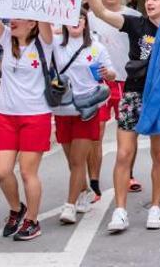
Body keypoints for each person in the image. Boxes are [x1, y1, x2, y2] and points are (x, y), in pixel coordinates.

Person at [86, 0, 160, 232]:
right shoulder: (135, 24)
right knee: (123, 154)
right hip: (133, 94)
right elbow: (101, 12)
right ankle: (120, 211)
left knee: (159, 155)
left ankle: (155, 207)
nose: (149, 2)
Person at [0, 0, 55, 241]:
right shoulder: (5, 40)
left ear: (33, 23)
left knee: (28, 172)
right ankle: (17, 209)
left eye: (20, 16)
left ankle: (32, 221)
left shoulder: (44, 44)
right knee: (2, 171)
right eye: (12, 15)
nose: (13, 20)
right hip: (6, 115)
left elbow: (47, 16)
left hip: (35, 115)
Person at [53, 13, 116, 225]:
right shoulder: (55, 45)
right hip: (63, 109)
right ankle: (83, 190)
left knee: (79, 160)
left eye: (79, 19)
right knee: (72, 160)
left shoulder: (96, 48)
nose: (75, 23)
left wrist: (108, 73)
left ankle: (69, 206)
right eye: (69, 19)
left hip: (87, 109)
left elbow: (112, 73)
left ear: (85, 22)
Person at [87, 0, 143, 201]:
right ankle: (94, 182)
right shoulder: (89, 17)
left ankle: (128, 174)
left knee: (129, 132)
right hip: (98, 82)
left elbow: (145, 45)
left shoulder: (134, 16)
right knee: (95, 134)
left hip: (126, 80)